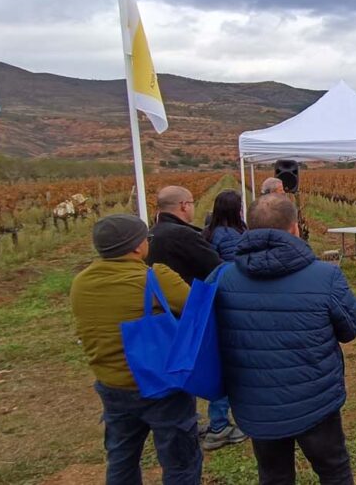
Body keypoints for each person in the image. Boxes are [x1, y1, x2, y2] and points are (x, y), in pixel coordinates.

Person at [213, 194, 356, 485]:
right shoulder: (325, 276)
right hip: (315, 400)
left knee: (273, 475)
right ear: (295, 228)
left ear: (249, 227)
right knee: (334, 470)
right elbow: (351, 327)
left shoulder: (222, 279)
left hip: (255, 402)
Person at [70, 214, 202, 484]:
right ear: (135, 247)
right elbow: (197, 310)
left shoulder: (81, 283)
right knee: (180, 461)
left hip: (112, 384)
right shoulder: (156, 278)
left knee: (121, 458)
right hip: (161, 384)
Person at [196, 189, 249, 450]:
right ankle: (220, 424)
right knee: (233, 361)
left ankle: (219, 420)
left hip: (216, 302)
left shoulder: (208, 233)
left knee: (220, 360)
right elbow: (243, 263)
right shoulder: (232, 236)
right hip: (234, 302)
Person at [147, 186, 222, 285]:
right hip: (189, 296)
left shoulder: (151, 233)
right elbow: (216, 267)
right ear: (184, 205)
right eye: (192, 203)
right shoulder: (184, 235)